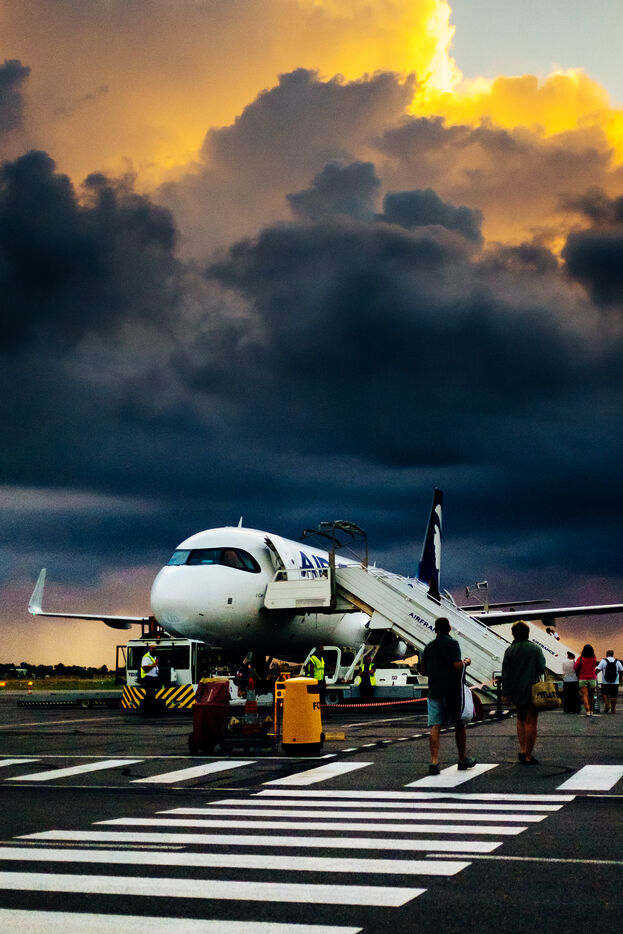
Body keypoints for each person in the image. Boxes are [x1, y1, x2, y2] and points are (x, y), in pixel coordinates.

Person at [419, 617, 476, 775]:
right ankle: (462, 759)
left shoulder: (429, 646)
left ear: (435, 629)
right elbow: (456, 665)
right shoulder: (453, 644)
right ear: (449, 628)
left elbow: (423, 670)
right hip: (452, 691)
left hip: (434, 690)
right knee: (459, 724)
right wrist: (466, 662)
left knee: (435, 725)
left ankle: (434, 761)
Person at [502, 620, 546, 764]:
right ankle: (528, 755)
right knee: (531, 722)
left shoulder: (509, 650)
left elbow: (505, 673)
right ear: (528, 633)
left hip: (516, 689)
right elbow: (541, 668)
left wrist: (505, 693)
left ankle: (522, 749)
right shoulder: (535, 649)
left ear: (513, 634)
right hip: (532, 689)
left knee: (520, 719)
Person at [575, 644, 598, 717]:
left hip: (582, 678)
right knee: (591, 695)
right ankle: (591, 710)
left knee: (585, 695)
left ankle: (587, 710)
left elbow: (575, 667)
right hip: (592, 678)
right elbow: (594, 666)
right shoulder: (594, 658)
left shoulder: (581, 658)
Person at [140, 642, 161, 717]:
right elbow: (144, 667)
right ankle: (147, 712)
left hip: (154, 678)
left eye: (155, 648)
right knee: (149, 695)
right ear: (149, 648)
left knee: (152, 695)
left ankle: (152, 711)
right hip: (148, 678)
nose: (154, 649)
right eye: (152, 648)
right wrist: (154, 665)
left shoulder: (154, 656)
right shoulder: (146, 657)